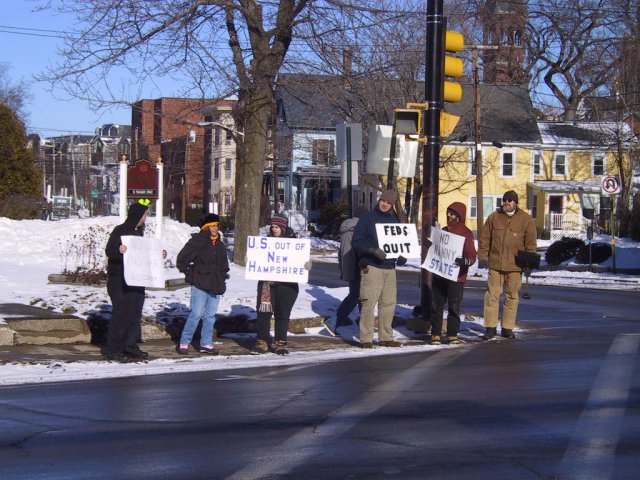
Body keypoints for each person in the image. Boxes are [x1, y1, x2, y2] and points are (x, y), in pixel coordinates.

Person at [478, 190, 537, 340]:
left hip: (515, 267)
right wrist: (483, 258)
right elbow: (485, 240)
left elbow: (530, 244)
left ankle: (507, 328)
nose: (507, 202)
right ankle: (490, 328)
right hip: (496, 264)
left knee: (511, 297)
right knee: (492, 296)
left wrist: (529, 263)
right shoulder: (493, 218)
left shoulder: (526, 220)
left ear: (515, 203)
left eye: (510, 200)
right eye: (505, 200)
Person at [352, 190, 406, 348]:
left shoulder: (395, 220)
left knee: (389, 303)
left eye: (388, 203)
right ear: (379, 200)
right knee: (369, 302)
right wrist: (371, 250)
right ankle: (366, 338)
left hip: (390, 267)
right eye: (383, 201)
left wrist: (401, 256)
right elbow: (357, 242)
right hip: (372, 266)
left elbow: (399, 243)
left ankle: (385, 336)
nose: (385, 204)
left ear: (392, 205)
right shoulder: (367, 219)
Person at [176, 213, 230, 355]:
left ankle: (206, 343)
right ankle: (184, 342)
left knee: (210, 316)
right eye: (213, 225)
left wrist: (223, 276)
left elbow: (224, 264)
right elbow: (182, 259)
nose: (216, 228)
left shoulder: (219, 244)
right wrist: (190, 273)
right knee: (195, 313)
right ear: (206, 227)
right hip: (200, 283)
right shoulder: (198, 241)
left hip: (215, 284)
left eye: (217, 225)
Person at [104, 201, 150, 362]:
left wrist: (157, 254)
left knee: (134, 314)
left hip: (136, 280)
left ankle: (130, 345)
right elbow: (110, 251)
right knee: (121, 314)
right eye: (144, 215)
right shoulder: (120, 231)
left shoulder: (139, 233)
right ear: (136, 215)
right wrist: (119, 250)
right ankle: (114, 349)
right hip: (119, 280)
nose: (145, 218)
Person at [252, 213, 303, 355]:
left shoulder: (295, 244)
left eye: (277, 227)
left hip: (288, 285)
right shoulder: (265, 243)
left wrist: (306, 264)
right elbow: (258, 260)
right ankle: (262, 341)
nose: (274, 229)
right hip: (267, 284)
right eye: (272, 227)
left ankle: (280, 343)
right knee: (263, 312)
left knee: (282, 313)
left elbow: (301, 262)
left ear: (283, 227)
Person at [429, 202, 477, 345]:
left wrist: (465, 261)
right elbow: (435, 249)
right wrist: (429, 244)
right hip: (440, 273)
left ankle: (452, 334)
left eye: (452, 213)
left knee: (454, 306)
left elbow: (472, 255)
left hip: (457, 275)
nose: (449, 216)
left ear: (459, 215)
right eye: (448, 213)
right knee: (436, 305)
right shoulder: (443, 230)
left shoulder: (466, 233)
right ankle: (435, 333)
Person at [323, 205, 368, 336]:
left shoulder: (346, 227)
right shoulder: (360, 229)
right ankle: (333, 322)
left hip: (349, 266)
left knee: (359, 296)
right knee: (357, 296)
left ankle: (364, 327)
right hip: (358, 266)